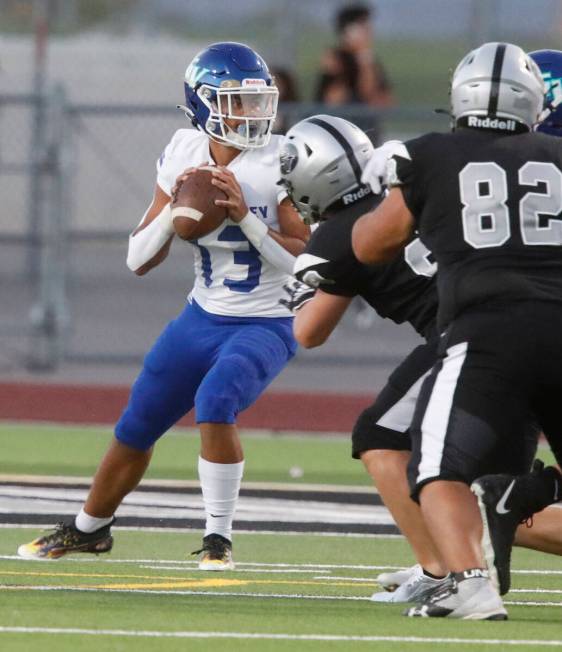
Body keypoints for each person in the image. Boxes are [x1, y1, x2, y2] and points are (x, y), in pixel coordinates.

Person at [18, 42, 308, 570]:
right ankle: (90, 529)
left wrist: (245, 217)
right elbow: (137, 258)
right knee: (138, 424)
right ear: (202, 105)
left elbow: (307, 262)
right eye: (236, 102)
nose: (251, 114)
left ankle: (218, 540)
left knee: (216, 400)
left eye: (256, 101)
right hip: (202, 314)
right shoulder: (183, 152)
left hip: (268, 319)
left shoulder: (284, 160)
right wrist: (176, 211)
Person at [279, 113, 562, 605]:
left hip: (471, 340)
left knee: (378, 436)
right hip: (535, 327)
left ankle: (443, 569)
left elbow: (309, 331)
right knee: (492, 486)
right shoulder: (430, 185)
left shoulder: (339, 232)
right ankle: (472, 556)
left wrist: (296, 288)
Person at [352, 42, 562, 619]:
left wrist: (395, 189)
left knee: (438, 466)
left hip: (486, 333)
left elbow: (371, 244)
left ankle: (469, 583)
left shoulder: (430, 156)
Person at [315, 3, 394, 108]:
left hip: (365, 123)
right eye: (361, 25)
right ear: (346, 30)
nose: (368, 30)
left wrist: (364, 58)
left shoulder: (371, 60)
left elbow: (383, 102)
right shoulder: (335, 57)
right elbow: (333, 100)